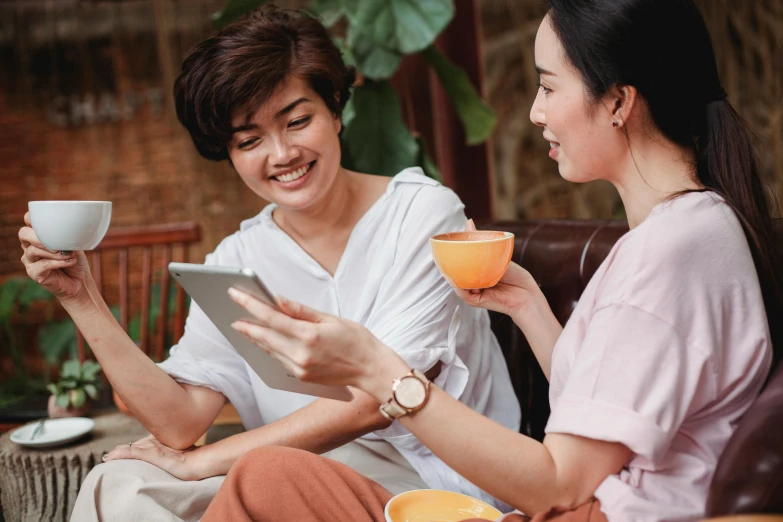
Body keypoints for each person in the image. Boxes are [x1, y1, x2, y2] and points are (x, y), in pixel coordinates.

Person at [197, 0, 782, 521]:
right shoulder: (687, 230)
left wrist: (378, 368)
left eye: (549, 88)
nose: (534, 112)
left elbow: (560, 481)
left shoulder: (672, 252)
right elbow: (610, 409)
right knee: (268, 476)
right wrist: (527, 305)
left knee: (263, 480)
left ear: (619, 102)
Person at [18, 6, 520, 522]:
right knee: (119, 485)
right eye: (250, 140)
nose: (281, 154)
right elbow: (180, 424)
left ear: (336, 107)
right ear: (229, 153)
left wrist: (207, 462)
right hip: (289, 465)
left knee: (263, 482)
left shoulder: (423, 214)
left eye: (297, 121)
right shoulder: (237, 257)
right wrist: (81, 297)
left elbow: (374, 399)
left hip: (432, 476)